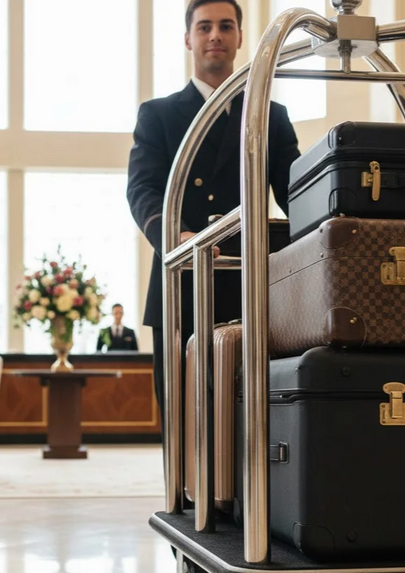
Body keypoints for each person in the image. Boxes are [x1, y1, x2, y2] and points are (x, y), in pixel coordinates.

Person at [126, 0, 300, 420]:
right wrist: (178, 237)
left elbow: (297, 194)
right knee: (183, 414)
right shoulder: (159, 115)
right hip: (181, 283)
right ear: (188, 38)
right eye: (204, 27)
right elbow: (142, 190)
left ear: (240, 37)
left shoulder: (271, 118)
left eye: (225, 26)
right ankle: (183, 492)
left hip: (251, 286)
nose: (215, 35)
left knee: (249, 414)